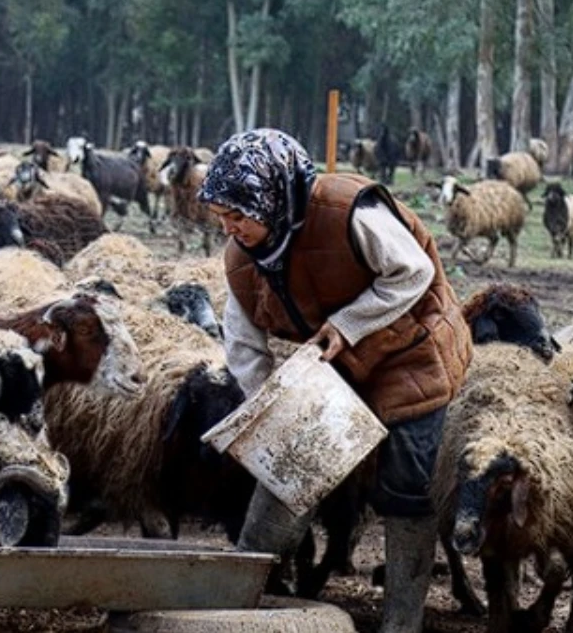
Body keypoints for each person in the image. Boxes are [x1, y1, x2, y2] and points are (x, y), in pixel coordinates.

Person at [198, 128, 473, 632]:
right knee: (289, 471)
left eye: (239, 215)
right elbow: (242, 343)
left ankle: (401, 621)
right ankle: (234, 607)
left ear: (274, 196)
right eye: (222, 218)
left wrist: (349, 325)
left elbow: (412, 271)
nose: (230, 229)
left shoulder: (350, 212)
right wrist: (273, 410)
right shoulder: (242, 259)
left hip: (410, 348)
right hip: (335, 362)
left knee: (407, 481)